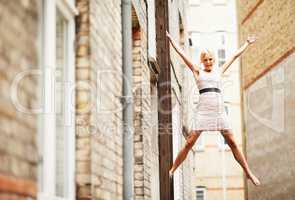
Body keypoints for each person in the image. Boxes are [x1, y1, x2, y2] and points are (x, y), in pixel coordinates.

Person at [166, 31, 261, 186]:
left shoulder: (219, 70)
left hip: (218, 112)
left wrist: (247, 43)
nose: (209, 62)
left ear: (214, 60)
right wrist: (171, 40)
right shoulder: (198, 71)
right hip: (203, 112)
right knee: (189, 143)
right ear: (202, 61)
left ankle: (248, 173)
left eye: (211, 59)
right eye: (206, 60)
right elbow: (182, 54)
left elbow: (234, 56)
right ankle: (172, 169)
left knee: (232, 142)